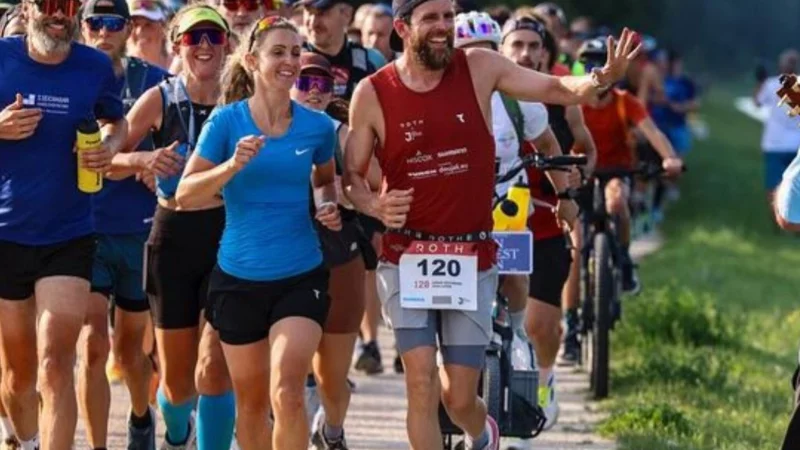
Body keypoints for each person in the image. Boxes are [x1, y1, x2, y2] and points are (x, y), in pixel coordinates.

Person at [343, 0, 640, 447]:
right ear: (403, 28)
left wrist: (600, 79)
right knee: (420, 383)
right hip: (407, 254)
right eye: (432, 19)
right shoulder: (372, 92)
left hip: (470, 253)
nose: (444, 27)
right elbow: (351, 178)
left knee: (460, 397)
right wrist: (373, 206)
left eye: (449, 16)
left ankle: (482, 435)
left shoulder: (480, 66)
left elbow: (556, 90)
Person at [175, 16, 341, 450]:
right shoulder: (226, 123)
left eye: (294, 51)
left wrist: (326, 203)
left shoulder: (318, 127)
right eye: (278, 52)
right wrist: (231, 166)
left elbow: (325, 179)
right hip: (238, 278)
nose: (290, 61)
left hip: (300, 274)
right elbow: (185, 195)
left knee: (286, 391)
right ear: (251, 61)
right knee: (249, 405)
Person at [0, 0, 128, 446]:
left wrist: (110, 148)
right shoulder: (2, 57)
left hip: (69, 232)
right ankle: (28, 440)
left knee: (57, 360)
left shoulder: (93, 65)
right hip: (6, 233)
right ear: (29, 7)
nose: (61, 13)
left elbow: (118, 119)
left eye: (70, 4)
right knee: (17, 377)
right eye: (51, 3)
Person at [115, 4, 236, 449]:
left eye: (213, 37)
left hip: (230, 236)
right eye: (193, 37)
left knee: (215, 368)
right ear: (177, 44)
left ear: (228, 45)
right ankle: (176, 430)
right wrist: (142, 158)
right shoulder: (160, 98)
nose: (204, 46)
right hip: (173, 236)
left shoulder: (241, 100)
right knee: (180, 384)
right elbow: (108, 160)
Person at [77, 0, 170, 448]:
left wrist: (161, 167)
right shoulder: (63, 76)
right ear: (82, 26)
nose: (103, 31)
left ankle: (140, 417)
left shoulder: (151, 80)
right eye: (94, 22)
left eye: (113, 23)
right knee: (93, 345)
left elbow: (181, 144)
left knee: (130, 351)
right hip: (81, 229)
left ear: (126, 28)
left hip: (137, 229)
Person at [496, 14, 586, 432]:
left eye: (534, 47)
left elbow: (584, 147)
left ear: (546, 52)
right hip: (495, 218)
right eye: (517, 46)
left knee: (539, 324)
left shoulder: (559, 94)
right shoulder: (483, 92)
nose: (526, 54)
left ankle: (543, 380)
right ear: (501, 52)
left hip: (547, 222)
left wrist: (575, 182)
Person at [300, 0, 388, 375]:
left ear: (345, 15)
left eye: (321, 10)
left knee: (365, 263)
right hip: (299, 193)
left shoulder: (368, 63)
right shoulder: (291, 56)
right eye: (306, 10)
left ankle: (364, 343)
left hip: (358, 181)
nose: (312, 19)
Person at [290, 51, 371, 449]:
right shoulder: (264, 127)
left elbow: (377, 190)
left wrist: (350, 198)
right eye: (306, 82)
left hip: (339, 258)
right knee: (287, 371)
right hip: (282, 261)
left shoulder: (344, 134)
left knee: (332, 378)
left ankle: (332, 431)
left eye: (323, 83)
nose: (315, 91)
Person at [577, 38, 683, 295]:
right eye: (590, 64)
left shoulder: (625, 101)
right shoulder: (575, 101)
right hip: (581, 171)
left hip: (617, 169)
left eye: (602, 63)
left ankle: (624, 259)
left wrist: (670, 157)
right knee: (576, 231)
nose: (596, 70)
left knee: (617, 202)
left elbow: (653, 132)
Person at [755, 49, 800, 207]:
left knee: (774, 185)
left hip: (774, 144)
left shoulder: (771, 84)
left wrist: (760, 81)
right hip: (796, 145)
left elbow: (757, 102)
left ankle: (777, 221)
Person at [127, 0, 172, 69]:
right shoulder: (120, 70)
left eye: (148, 25)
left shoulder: (180, 66)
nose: (139, 32)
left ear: (164, 29)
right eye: (135, 25)